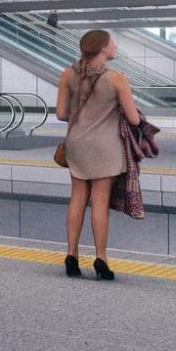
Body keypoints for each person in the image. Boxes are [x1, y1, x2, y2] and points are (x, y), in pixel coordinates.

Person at [57, 30, 143, 279]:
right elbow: (134, 118)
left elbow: (61, 114)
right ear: (103, 48)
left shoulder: (67, 74)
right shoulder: (117, 79)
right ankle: (100, 258)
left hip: (77, 145)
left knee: (77, 198)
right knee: (100, 202)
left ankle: (71, 256)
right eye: (112, 43)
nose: (115, 46)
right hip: (106, 147)